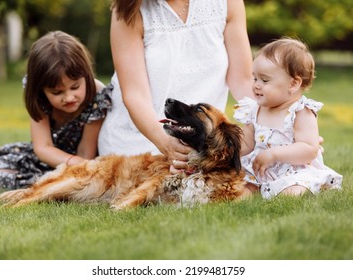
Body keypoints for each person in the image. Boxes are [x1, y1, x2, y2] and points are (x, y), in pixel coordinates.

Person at [98, 0, 254, 171]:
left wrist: (258, 128)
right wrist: (166, 144)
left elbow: (243, 80)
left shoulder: (228, 3)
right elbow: (135, 96)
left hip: (204, 144)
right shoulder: (129, 11)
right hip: (142, 141)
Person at [0, 31, 111, 190]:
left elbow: (85, 155)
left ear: (86, 75)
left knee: (53, 184)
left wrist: (78, 166)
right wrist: (71, 162)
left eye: (75, 87)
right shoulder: (38, 97)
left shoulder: (97, 95)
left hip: (80, 166)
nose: (69, 97)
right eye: (57, 92)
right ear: (41, 89)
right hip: (48, 159)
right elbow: (43, 147)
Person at [234, 37, 342, 199]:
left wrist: (273, 154)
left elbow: (309, 149)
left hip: (293, 170)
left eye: (264, 80)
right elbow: (246, 143)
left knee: (293, 188)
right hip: (259, 168)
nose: (256, 85)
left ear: (293, 84)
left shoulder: (300, 112)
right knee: (242, 186)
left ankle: (288, 192)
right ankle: (250, 192)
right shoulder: (255, 110)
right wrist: (227, 151)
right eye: (255, 78)